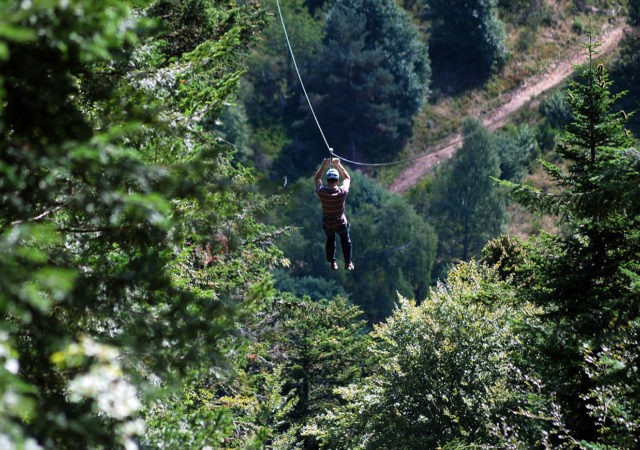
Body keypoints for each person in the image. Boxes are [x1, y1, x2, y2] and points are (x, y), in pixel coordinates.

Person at [314, 157, 354, 271]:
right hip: (340, 222)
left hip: (327, 223)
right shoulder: (342, 192)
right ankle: (348, 263)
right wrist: (338, 164)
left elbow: (317, 179)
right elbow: (347, 178)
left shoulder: (322, 192)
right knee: (345, 240)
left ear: (327, 180)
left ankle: (333, 263)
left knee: (330, 240)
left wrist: (323, 165)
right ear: (337, 181)